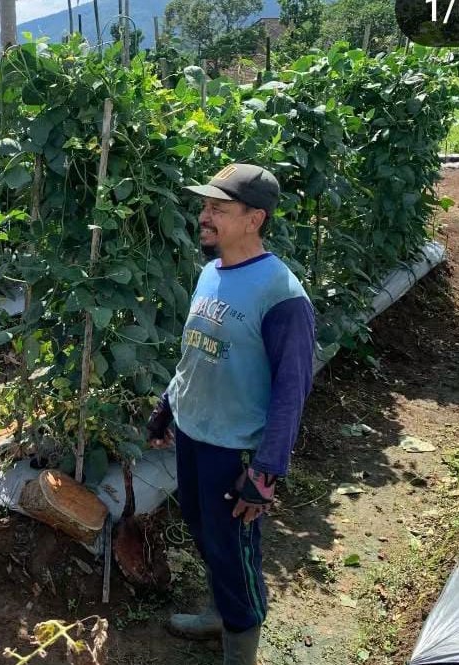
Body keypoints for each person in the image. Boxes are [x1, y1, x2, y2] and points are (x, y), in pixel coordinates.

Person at [146, 164, 315, 664]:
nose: (204, 216)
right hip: (196, 435)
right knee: (205, 533)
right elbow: (194, 355)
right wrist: (167, 407)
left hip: (236, 449)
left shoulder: (281, 295)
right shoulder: (211, 271)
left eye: (218, 209)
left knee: (234, 550)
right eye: (205, 206)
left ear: (254, 219)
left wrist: (265, 472)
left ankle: (240, 645)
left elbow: (291, 390)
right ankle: (221, 612)